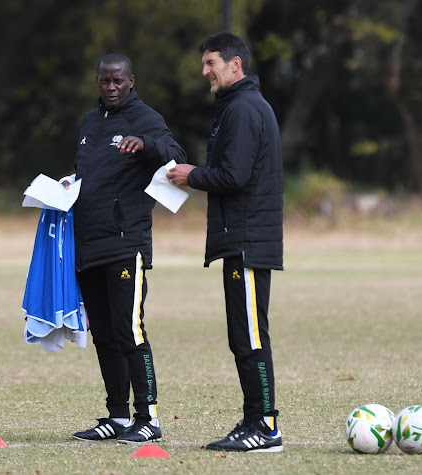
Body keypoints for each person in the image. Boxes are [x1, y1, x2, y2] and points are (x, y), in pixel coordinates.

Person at [167, 32, 284, 453]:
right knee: (242, 335)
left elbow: (235, 177)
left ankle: (266, 427)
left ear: (235, 65)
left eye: (211, 63)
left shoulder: (244, 109)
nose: (205, 72)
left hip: (249, 241)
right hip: (240, 239)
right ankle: (254, 417)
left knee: (250, 335)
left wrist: (190, 175)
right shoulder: (236, 107)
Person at [66, 53, 187, 444]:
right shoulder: (88, 122)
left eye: (119, 81)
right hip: (88, 244)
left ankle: (147, 417)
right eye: (105, 81)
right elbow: (90, 176)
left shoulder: (145, 118)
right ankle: (117, 416)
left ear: (131, 81)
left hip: (124, 243)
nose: (112, 87)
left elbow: (177, 158)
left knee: (129, 329)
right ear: (97, 81)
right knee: (103, 333)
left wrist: (148, 144)